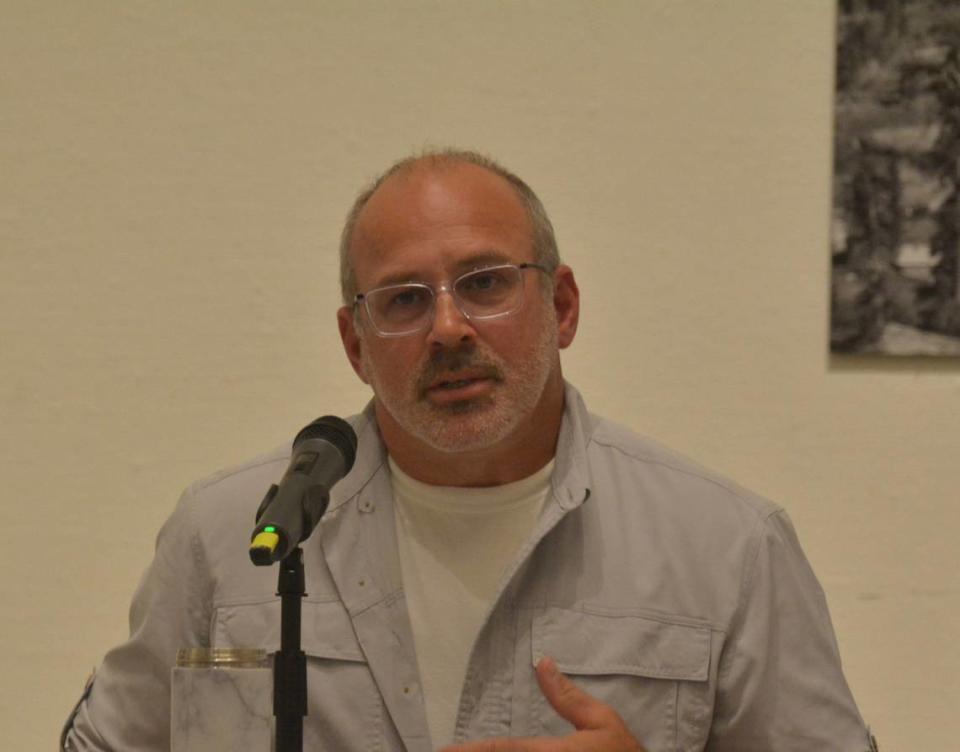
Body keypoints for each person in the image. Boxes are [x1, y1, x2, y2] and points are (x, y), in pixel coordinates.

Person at [63, 149, 876, 751]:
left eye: (486, 283)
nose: (448, 328)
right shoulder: (231, 533)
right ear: (356, 344)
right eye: (405, 300)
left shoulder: (728, 547)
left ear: (560, 307)